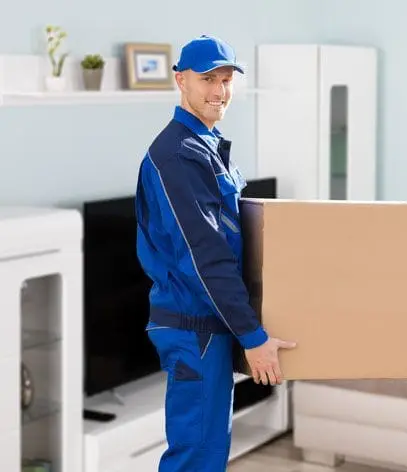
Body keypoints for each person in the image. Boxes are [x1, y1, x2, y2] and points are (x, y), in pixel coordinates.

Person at [134, 34, 296, 471]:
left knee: (207, 452)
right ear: (180, 81)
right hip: (196, 328)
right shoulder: (177, 155)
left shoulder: (207, 145)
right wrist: (253, 336)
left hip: (210, 325)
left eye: (227, 79)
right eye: (209, 79)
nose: (220, 91)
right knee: (197, 457)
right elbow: (205, 257)